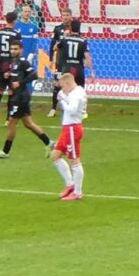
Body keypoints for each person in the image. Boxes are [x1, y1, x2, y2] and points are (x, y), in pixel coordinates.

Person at [0, 55, 52, 158]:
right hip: (18, 97)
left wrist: (20, 83)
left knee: (11, 123)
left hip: (20, 97)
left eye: (16, 49)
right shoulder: (13, 63)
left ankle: (5, 152)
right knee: (28, 123)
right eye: (12, 49)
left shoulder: (23, 62)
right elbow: (15, 77)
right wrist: (8, 76)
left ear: (21, 50)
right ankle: (49, 143)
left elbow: (34, 75)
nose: (13, 51)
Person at [49, 68, 87, 201]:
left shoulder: (76, 94)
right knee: (55, 155)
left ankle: (78, 192)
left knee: (74, 160)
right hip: (67, 129)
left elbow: (71, 109)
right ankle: (70, 185)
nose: (62, 89)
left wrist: (63, 99)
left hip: (73, 129)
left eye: (63, 86)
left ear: (68, 83)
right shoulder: (75, 92)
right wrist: (64, 96)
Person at [47, 17, 86, 118]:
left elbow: (56, 47)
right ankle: (54, 108)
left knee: (70, 86)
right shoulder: (58, 29)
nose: (65, 17)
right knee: (58, 84)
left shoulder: (71, 37)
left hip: (66, 65)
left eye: (67, 15)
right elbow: (54, 46)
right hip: (61, 63)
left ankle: (71, 108)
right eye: (64, 14)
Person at [0, 11, 22, 127]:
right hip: (11, 64)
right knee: (11, 92)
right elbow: (18, 51)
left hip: (1, 63)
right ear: (14, 21)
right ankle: (8, 119)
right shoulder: (16, 34)